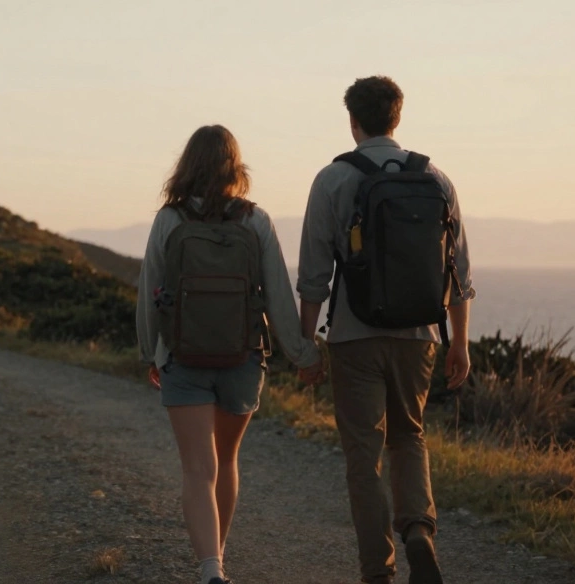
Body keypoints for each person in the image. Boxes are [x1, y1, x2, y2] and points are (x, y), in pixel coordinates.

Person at [297, 76, 475, 584]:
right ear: (397, 118)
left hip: (354, 336)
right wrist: (458, 342)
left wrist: (306, 344)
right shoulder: (435, 178)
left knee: (363, 454)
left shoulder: (332, 179)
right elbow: (458, 272)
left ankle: (378, 569)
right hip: (418, 336)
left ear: (353, 120)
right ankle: (418, 529)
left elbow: (313, 277)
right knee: (409, 437)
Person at [137, 124, 323, 584]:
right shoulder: (255, 220)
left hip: (184, 356)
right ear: (235, 167)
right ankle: (216, 558)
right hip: (243, 359)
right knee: (226, 459)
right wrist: (302, 354)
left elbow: (148, 293)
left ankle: (211, 569)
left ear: (187, 165)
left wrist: (149, 353)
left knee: (198, 467)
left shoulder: (170, 220)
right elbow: (279, 295)